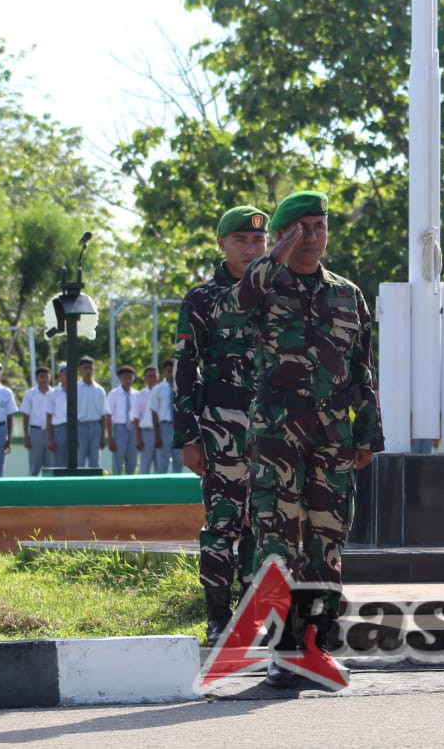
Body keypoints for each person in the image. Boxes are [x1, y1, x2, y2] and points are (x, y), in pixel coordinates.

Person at [224, 191, 383, 688]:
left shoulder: (347, 294)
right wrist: (276, 254)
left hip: (332, 438)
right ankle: (283, 649)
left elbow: (362, 368)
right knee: (276, 542)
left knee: (326, 544)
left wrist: (368, 432)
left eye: (320, 226)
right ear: (283, 235)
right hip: (277, 438)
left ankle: (314, 646)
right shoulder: (265, 285)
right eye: (301, 229)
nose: (312, 237)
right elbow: (234, 307)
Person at [173, 205, 269, 647]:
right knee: (222, 525)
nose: (250, 249)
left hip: (271, 431)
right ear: (222, 244)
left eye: (258, 240)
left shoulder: (278, 293)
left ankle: (250, 619)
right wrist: (188, 437)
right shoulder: (201, 299)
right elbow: (184, 369)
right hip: (221, 430)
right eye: (240, 241)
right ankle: (217, 618)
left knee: (260, 527)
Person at [74, 357, 110, 470]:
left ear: (94, 369)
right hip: (80, 425)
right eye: (85, 368)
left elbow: (104, 414)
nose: (88, 371)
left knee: (95, 461)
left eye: (90, 368)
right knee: (80, 459)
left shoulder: (100, 390)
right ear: (80, 370)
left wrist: (103, 436)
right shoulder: (75, 388)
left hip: (95, 426)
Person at [19, 367, 53, 476]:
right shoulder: (30, 394)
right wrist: (26, 436)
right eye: (41, 376)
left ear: (50, 378)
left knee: (50, 467)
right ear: (36, 378)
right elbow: (26, 416)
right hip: (35, 432)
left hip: (51, 432)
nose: (44, 379)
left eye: (46, 376)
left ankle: (49, 486)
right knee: (34, 466)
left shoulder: (55, 393)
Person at [107, 365, 139, 475]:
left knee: (132, 460)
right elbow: (109, 416)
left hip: (133, 429)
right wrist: (110, 438)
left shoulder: (137, 394)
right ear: (120, 378)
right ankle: (116, 482)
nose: (128, 381)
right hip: (119, 428)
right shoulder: (113, 394)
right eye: (125, 378)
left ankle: (130, 482)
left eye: (130, 378)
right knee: (118, 460)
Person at [151, 359, 179, 473]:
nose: (171, 373)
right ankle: (162, 481)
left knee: (178, 458)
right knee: (163, 459)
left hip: (178, 426)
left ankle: (177, 482)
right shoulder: (158, 389)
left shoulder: (181, 388)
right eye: (169, 371)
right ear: (164, 372)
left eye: (173, 371)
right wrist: (157, 435)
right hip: (165, 426)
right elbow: (154, 412)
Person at [131, 366, 159, 475]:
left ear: (158, 377)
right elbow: (136, 418)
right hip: (146, 433)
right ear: (144, 378)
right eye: (149, 376)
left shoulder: (163, 391)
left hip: (161, 431)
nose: (151, 378)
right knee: (145, 466)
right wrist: (138, 438)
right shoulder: (140, 394)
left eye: (153, 375)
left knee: (160, 466)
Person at [44, 363, 70, 469]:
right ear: (60, 375)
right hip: (59, 429)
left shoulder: (79, 390)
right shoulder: (53, 393)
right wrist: (50, 438)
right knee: (58, 462)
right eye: (66, 374)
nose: (68, 376)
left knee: (73, 461)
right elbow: (49, 416)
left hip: (74, 428)